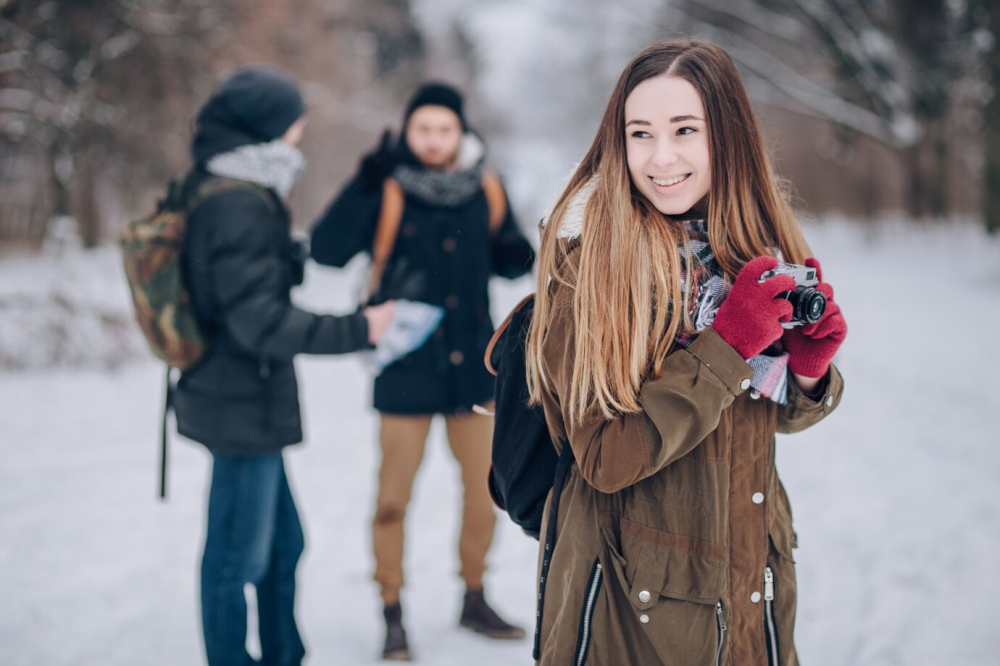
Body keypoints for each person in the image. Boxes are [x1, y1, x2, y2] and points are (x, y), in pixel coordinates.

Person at [523, 39, 848, 665]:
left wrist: (808, 374)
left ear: (727, 137)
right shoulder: (591, 266)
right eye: (639, 133)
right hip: (629, 606)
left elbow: (758, 416)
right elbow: (605, 457)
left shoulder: (753, 243)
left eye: (684, 130)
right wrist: (726, 344)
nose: (660, 156)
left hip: (749, 582)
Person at [173, 65, 395, 666]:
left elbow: (241, 287)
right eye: (293, 119)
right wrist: (359, 329)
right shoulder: (235, 203)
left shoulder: (237, 189)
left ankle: (282, 654)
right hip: (237, 403)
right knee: (234, 558)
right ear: (268, 128)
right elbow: (259, 322)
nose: (301, 128)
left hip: (246, 398)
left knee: (281, 547)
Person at [310, 82, 534, 660]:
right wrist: (363, 182)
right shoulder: (385, 188)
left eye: (445, 130)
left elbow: (515, 259)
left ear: (462, 134)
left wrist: (525, 236)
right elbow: (327, 250)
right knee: (393, 498)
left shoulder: (485, 186)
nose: (434, 140)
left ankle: (475, 595)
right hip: (405, 367)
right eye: (423, 129)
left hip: (476, 370)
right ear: (408, 133)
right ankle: (392, 611)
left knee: (489, 492)